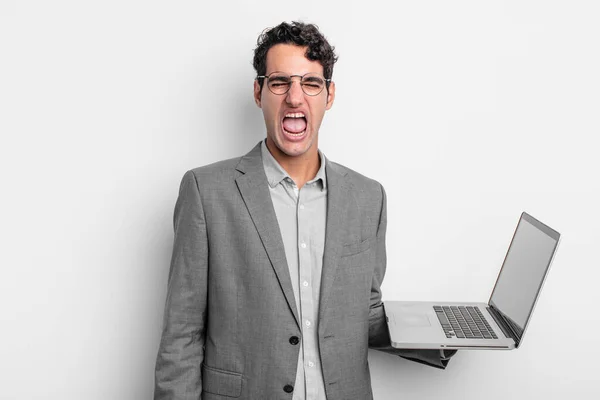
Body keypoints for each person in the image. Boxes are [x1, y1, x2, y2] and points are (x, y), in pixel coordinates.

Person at [154, 21, 455, 400]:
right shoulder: (206, 191)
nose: (295, 98)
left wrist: (440, 331)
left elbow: (363, 314)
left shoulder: (367, 197)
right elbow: (182, 335)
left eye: (310, 83)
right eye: (280, 82)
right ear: (258, 91)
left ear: (328, 95)